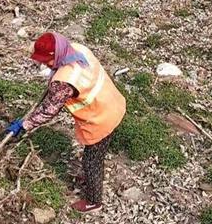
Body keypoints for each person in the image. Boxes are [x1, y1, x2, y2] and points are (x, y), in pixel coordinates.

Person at [7, 32, 126, 214]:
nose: (43, 64)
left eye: (46, 61)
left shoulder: (63, 81)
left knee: (91, 160)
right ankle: (91, 176)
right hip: (113, 102)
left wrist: (25, 125)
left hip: (100, 118)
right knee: (96, 154)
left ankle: (94, 202)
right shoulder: (78, 49)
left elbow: (48, 111)